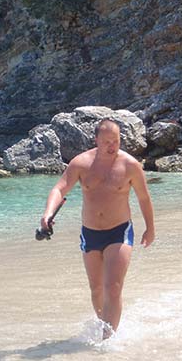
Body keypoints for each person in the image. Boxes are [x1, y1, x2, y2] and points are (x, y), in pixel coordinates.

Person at [40, 119, 155, 339]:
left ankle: (107, 340)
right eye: (106, 142)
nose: (112, 146)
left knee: (113, 287)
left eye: (116, 141)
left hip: (119, 231)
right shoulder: (81, 163)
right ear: (96, 140)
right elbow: (59, 189)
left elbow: (144, 198)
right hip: (90, 233)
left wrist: (150, 228)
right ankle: (106, 326)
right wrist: (47, 214)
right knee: (97, 289)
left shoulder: (130, 165)